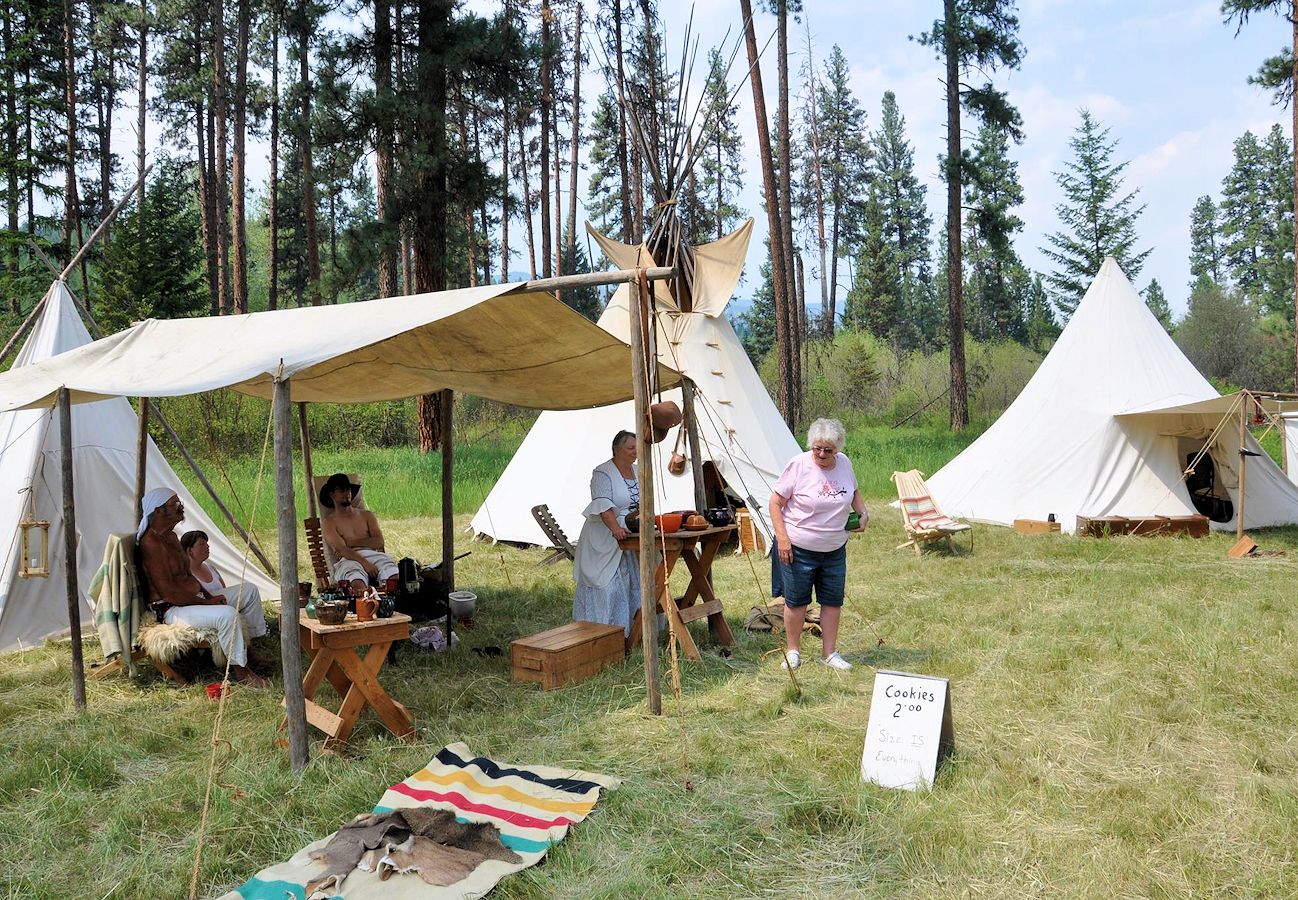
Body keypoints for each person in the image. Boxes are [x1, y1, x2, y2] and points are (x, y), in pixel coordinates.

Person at [137, 488, 270, 687]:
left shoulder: (171, 537)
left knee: (248, 591)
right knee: (227, 615)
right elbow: (168, 592)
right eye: (174, 504)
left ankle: (250, 653)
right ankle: (242, 672)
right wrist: (207, 603)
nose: (181, 508)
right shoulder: (150, 543)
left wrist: (208, 595)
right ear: (158, 511)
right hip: (171, 609)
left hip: (191, 599)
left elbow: (188, 576)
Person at [769, 418, 867, 671]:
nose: (822, 454)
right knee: (796, 601)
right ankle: (793, 651)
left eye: (828, 450)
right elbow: (775, 502)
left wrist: (862, 513)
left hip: (835, 549)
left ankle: (829, 653)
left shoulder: (844, 463)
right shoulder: (798, 465)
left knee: (833, 601)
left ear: (838, 449)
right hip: (798, 549)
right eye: (817, 448)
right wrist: (782, 538)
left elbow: (854, 492)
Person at [572, 430, 642, 635]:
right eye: (630, 448)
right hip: (606, 537)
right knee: (609, 586)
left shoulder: (639, 470)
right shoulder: (602, 473)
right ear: (616, 449)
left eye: (636, 448)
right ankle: (604, 633)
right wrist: (616, 529)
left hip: (632, 535)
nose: (635, 452)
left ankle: (635, 632)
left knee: (636, 582)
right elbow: (603, 505)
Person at [319, 472, 398, 596]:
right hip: (349, 559)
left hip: (374, 555)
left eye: (348, 489)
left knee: (393, 575)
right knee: (355, 581)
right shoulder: (329, 522)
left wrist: (350, 542)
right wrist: (365, 563)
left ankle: (392, 606)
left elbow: (379, 542)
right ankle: (365, 610)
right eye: (341, 490)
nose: (347, 493)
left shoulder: (366, 515)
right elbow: (343, 550)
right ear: (332, 495)